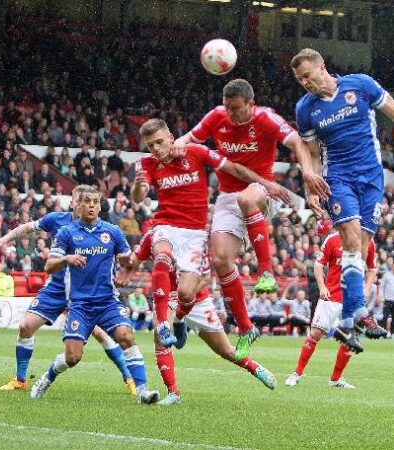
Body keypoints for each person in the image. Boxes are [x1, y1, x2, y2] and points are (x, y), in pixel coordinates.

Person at [172, 79, 328, 355]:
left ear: (251, 105)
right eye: (227, 107)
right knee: (220, 260)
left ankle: (265, 272)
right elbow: (189, 138)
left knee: (247, 198)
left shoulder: (266, 119)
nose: (230, 114)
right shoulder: (216, 117)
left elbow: (298, 143)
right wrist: (174, 146)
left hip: (262, 191)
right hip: (226, 197)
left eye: (236, 108)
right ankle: (246, 327)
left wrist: (307, 172)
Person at [132, 118, 291, 356]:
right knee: (163, 256)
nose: (155, 149)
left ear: (171, 138)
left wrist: (266, 183)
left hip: (195, 234)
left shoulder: (196, 152)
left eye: (159, 142)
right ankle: (164, 326)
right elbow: (138, 196)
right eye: (150, 145)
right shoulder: (145, 164)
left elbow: (233, 168)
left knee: (187, 293)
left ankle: (178, 321)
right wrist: (138, 186)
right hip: (166, 226)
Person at [0, 185, 135, 395]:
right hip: (57, 288)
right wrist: (2, 240)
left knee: (102, 334)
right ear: (74, 203)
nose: (80, 204)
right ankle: (20, 380)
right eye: (76, 200)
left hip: (84, 290)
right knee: (26, 326)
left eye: (85, 201)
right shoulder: (57, 220)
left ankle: (130, 379)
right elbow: (26, 228)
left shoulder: (102, 229)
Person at [291, 48, 392, 352]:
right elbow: (309, 152)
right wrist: (311, 185)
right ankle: (360, 311)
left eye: (308, 75)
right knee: (349, 239)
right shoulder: (305, 109)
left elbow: (390, 107)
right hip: (339, 179)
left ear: (322, 67)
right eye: (300, 79)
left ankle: (347, 323)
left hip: (372, 176)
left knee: (360, 249)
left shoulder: (360, 84)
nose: (305, 82)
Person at [116, 228, 276, 406]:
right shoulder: (155, 236)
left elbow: (206, 278)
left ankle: (255, 368)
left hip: (198, 298)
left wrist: (189, 291)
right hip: (168, 297)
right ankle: (173, 392)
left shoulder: (195, 237)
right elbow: (136, 258)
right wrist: (127, 269)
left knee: (225, 350)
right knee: (160, 337)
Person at [30, 188, 159, 404]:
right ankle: (47, 377)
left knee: (126, 336)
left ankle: (142, 390)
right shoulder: (67, 233)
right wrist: (67, 259)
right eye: (86, 201)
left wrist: (126, 272)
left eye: (95, 202)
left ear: (100, 206)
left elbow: (129, 260)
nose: (91, 205)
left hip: (107, 301)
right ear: (78, 205)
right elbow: (49, 266)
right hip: (80, 305)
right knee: (73, 358)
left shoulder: (113, 232)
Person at [285, 220, 377, 389]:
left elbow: (372, 268)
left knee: (349, 339)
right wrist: (322, 287)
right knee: (315, 334)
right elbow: (318, 265)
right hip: (331, 297)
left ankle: (335, 379)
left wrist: (366, 287)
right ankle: (296, 373)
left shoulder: (367, 242)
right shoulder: (333, 240)